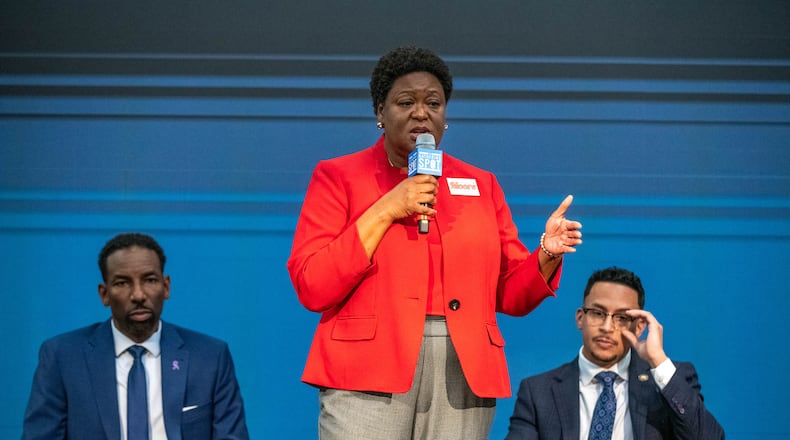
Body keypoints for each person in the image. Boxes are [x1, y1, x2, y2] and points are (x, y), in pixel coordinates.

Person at [286, 46, 583, 439]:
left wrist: (546, 252)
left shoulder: (481, 184)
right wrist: (387, 209)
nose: (421, 113)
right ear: (379, 112)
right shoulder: (339, 176)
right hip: (367, 369)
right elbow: (312, 284)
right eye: (405, 102)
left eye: (434, 103)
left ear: (446, 115)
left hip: (462, 370)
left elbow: (511, 295)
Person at [22, 232, 249, 440]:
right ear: (104, 294)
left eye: (150, 280)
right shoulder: (62, 358)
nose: (138, 295)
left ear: (166, 286)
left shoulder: (210, 357)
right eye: (122, 283)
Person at [506, 266, 724, 439]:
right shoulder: (538, 392)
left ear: (639, 327)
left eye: (622, 318)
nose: (607, 327)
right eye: (598, 313)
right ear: (580, 318)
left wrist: (658, 362)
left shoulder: (668, 381)